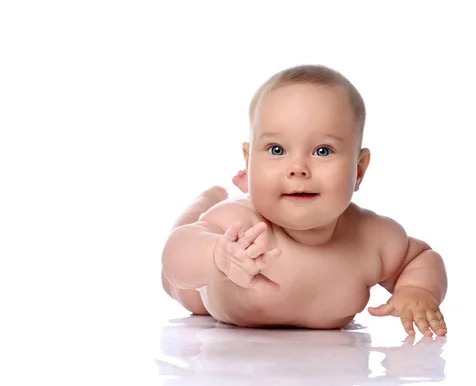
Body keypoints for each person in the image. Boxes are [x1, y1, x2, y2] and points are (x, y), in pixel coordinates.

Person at [161, 65, 448, 336]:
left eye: (323, 151)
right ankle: (205, 198)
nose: (298, 168)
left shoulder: (372, 238)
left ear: (358, 170)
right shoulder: (240, 226)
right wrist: (217, 257)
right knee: (183, 287)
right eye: (276, 149)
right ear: (249, 162)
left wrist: (417, 290)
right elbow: (177, 252)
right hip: (206, 295)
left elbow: (420, 258)